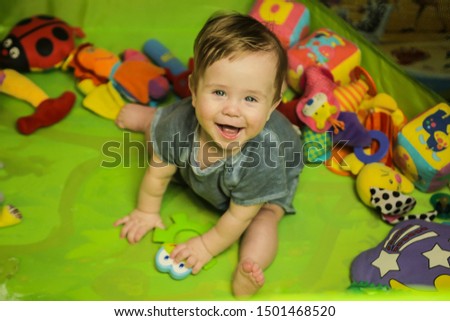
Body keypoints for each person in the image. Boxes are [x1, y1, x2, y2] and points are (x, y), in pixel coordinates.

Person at [114, 12, 303, 297]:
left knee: (265, 218)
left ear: (272, 106)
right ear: (193, 89)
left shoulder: (264, 159)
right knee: (161, 137)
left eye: (250, 99)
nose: (232, 110)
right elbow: (157, 171)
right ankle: (151, 118)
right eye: (218, 92)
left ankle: (249, 269)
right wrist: (146, 210)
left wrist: (206, 245)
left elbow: (238, 218)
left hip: (266, 185)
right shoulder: (182, 122)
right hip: (192, 141)